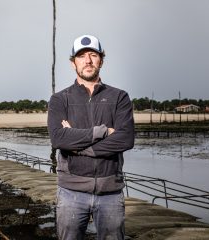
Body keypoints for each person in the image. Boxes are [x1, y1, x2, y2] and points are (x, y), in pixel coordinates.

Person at [47, 34, 135, 240]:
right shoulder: (60, 99)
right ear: (73, 63)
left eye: (93, 55)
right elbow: (58, 138)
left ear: (101, 60)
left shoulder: (119, 97)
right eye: (81, 56)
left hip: (110, 192)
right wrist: (102, 132)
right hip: (71, 193)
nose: (87, 60)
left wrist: (78, 146)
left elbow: (126, 138)